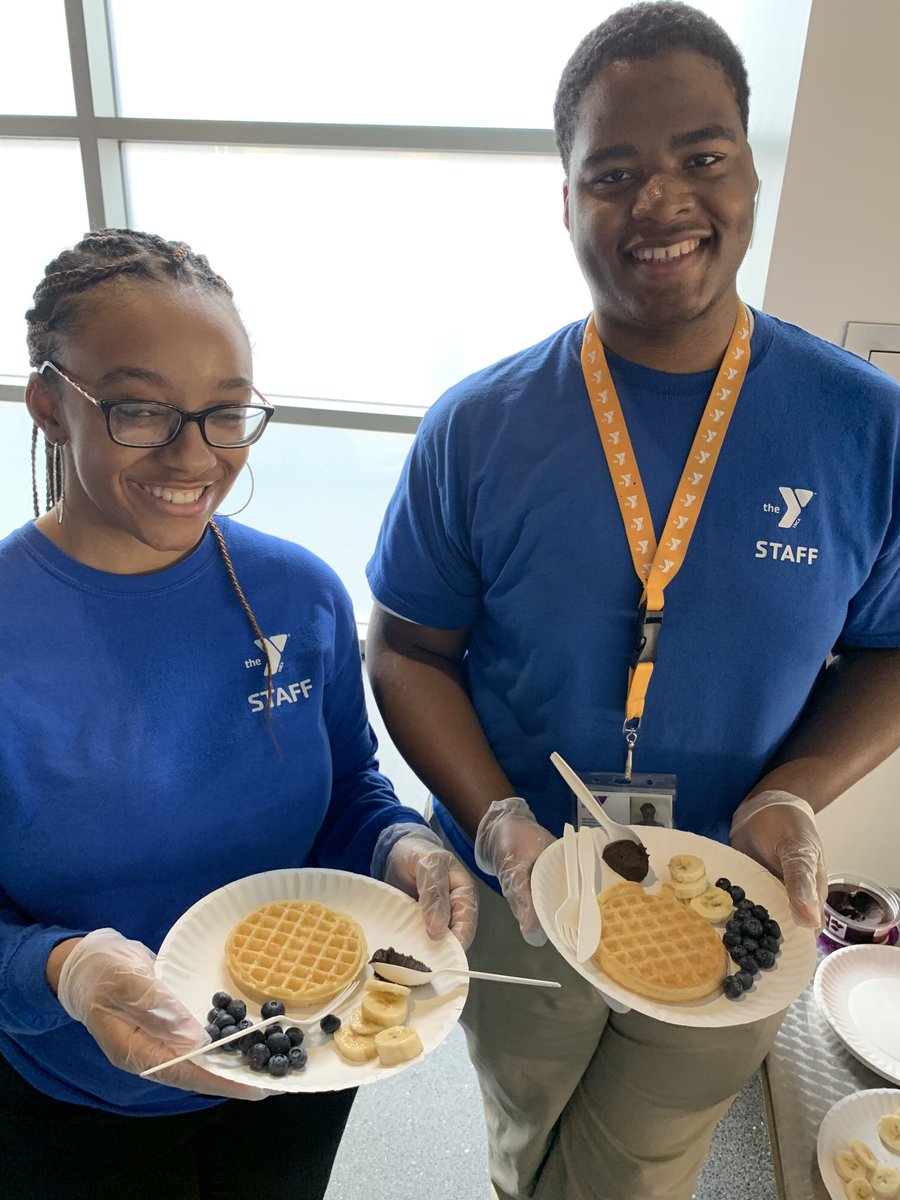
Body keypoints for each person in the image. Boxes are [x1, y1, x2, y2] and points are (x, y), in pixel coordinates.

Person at [364, 4, 900, 1198]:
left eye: (701, 156)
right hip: (526, 886)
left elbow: (892, 648)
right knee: (525, 1123)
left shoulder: (862, 424)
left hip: (737, 889)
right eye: (612, 171)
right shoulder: (479, 428)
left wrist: (792, 796)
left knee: (647, 1160)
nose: (660, 200)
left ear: (752, 168)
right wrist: (495, 817)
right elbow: (404, 647)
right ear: (564, 199)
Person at [0, 228, 478, 1200]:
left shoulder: (296, 593)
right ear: (50, 403)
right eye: (140, 409)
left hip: (298, 1057)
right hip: (74, 1093)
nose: (194, 455)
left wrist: (402, 849)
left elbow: (347, 786)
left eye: (226, 414)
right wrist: (62, 970)